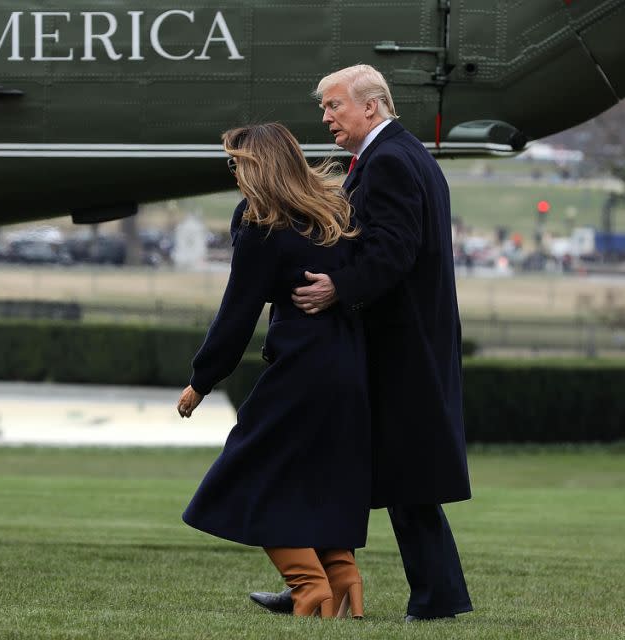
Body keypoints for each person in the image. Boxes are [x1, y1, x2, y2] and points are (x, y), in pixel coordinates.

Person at [250, 64, 474, 622]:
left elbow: (394, 250)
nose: (325, 117)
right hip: (410, 342)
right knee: (400, 479)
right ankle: (372, 590)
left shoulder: (391, 160)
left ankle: (382, 592)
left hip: (399, 347)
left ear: (370, 107)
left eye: (334, 106)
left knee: (386, 476)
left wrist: (337, 289)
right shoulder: (406, 154)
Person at [176, 122, 372, 619]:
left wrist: (202, 380)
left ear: (257, 166)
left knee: (250, 472)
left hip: (302, 367)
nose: (234, 172)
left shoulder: (262, 223)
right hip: (349, 362)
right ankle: (343, 580)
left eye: (237, 162)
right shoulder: (332, 211)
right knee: (319, 474)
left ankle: (308, 588)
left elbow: (238, 311)